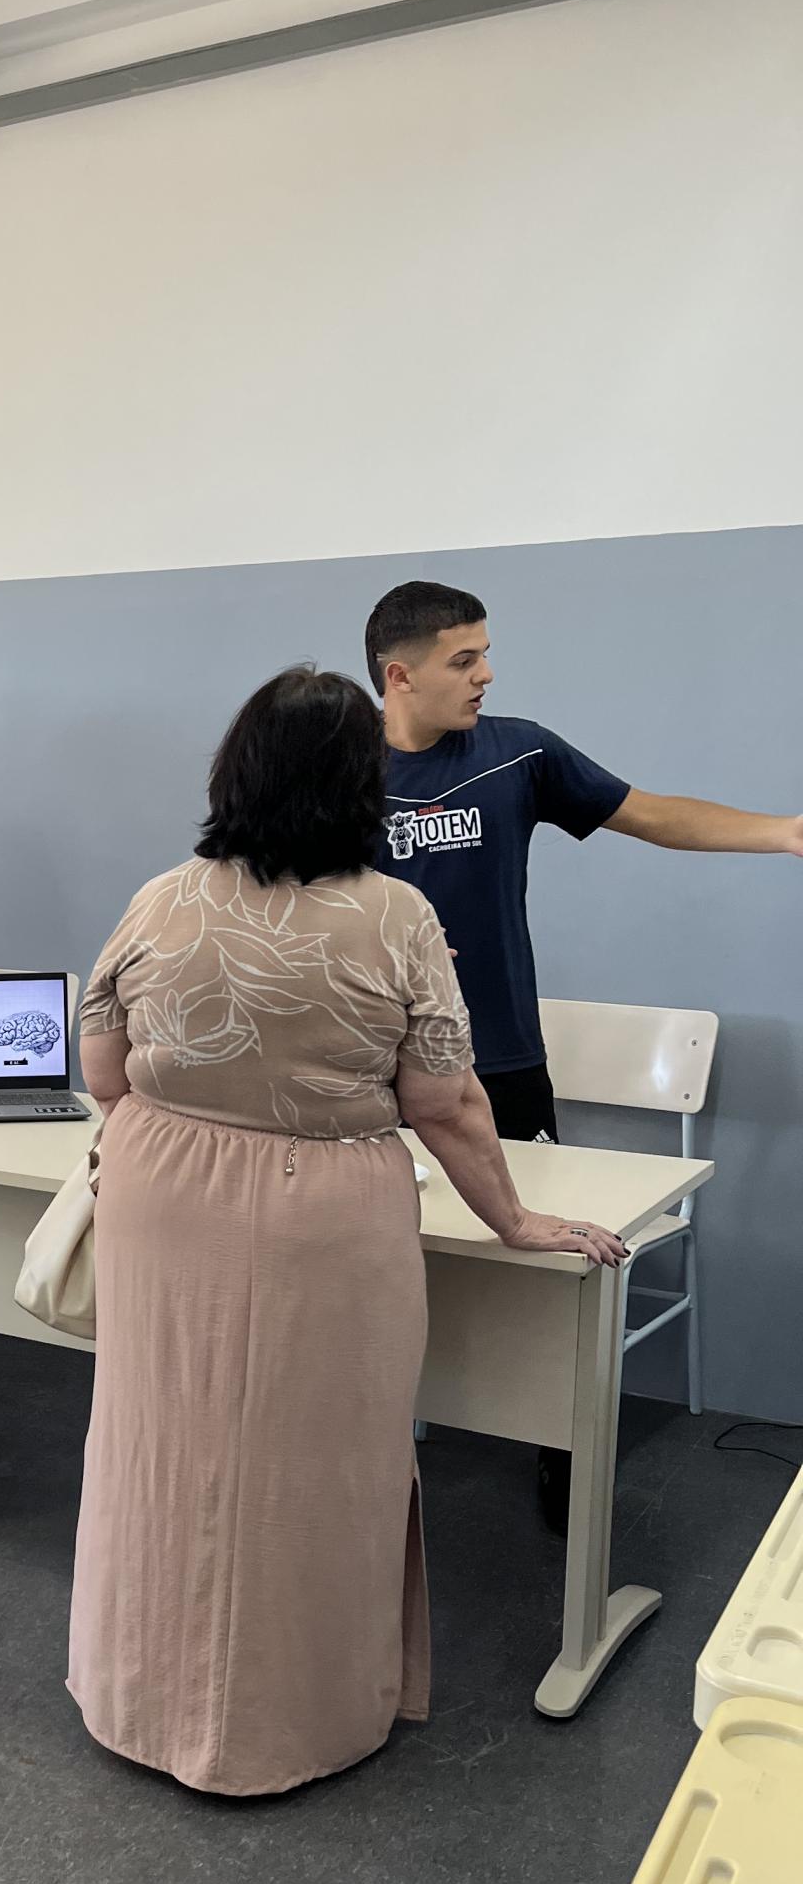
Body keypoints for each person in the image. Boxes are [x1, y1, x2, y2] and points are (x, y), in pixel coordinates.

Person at [70, 666, 622, 1797]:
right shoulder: (397, 916)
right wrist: (515, 1219)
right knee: (320, 1467)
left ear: (234, 771)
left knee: (155, 1446)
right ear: (361, 784)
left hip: (158, 1199)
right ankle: (295, 1717)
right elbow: (445, 1103)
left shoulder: (161, 898)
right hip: (325, 1212)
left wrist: (158, 1129)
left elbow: (104, 1067)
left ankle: (140, 1695)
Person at [368, 578, 803, 1514]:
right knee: (378, 1257)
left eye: (485, 654)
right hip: (372, 1073)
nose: (486, 674)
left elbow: (652, 813)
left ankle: (562, 1455)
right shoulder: (336, 774)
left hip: (504, 1061)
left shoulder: (519, 753)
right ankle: (371, 1448)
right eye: (464, 659)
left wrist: (785, 833)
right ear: (399, 676)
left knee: (547, 1261)